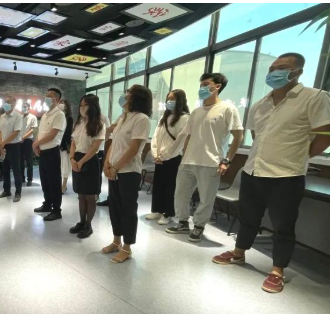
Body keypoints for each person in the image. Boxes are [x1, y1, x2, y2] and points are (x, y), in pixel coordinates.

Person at [213, 53, 330, 293]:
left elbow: (325, 135)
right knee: (248, 218)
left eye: (282, 67)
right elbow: (257, 136)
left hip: (286, 175)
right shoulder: (260, 104)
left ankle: (277, 270)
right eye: (272, 68)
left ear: (297, 72)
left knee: (283, 225)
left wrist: (300, 156)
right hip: (253, 171)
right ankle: (238, 253)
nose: (274, 72)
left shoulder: (314, 97)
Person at [167, 72, 243, 242]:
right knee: (180, 194)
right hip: (188, 160)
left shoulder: (228, 109)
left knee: (206, 199)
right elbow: (188, 135)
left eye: (206, 84)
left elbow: (238, 136)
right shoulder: (196, 112)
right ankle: (182, 222)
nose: (202, 87)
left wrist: (227, 160)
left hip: (211, 162)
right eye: (201, 84)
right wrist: (184, 155)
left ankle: (199, 226)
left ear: (218, 86)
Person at [101, 85, 151, 264]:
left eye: (129, 93)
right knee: (114, 207)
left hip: (129, 172)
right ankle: (116, 241)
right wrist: (107, 163)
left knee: (128, 210)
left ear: (137, 98)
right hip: (114, 169)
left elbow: (134, 149)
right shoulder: (123, 117)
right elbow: (114, 143)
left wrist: (116, 167)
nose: (125, 95)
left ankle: (127, 247)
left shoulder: (142, 119)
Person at [145, 89, 190, 225]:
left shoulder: (185, 118)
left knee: (170, 186)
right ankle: (157, 210)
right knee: (158, 184)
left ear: (180, 101)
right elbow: (155, 137)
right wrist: (155, 154)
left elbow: (179, 141)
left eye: (172, 99)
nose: (169, 102)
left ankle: (168, 213)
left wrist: (164, 155)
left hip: (173, 157)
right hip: (159, 158)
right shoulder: (164, 117)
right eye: (168, 99)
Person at [69, 95, 106, 239]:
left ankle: (88, 225)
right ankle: (82, 222)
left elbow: (95, 148)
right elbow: (73, 143)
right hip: (77, 158)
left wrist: (82, 161)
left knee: (90, 196)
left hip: (90, 161)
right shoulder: (78, 123)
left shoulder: (99, 124)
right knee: (81, 195)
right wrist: (72, 159)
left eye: (85, 105)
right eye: (81, 105)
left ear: (93, 107)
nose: (82, 108)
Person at [33, 88, 67, 221]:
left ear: (57, 99)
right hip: (43, 152)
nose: (46, 98)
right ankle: (47, 204)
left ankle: (57, 210)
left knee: (54, 182)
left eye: (50, 96)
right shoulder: (45, 114)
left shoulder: (59, 115)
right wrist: (37, 145)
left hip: (52, 152)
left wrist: (36, 144)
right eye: (46, 95)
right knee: (45, 181)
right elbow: (41, 132)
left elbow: (52, 135)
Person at [0, 95, 24, 202]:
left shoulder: (18, 116)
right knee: (5, 169)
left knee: (16, 170)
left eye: (8, 102)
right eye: (5, 102)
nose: (6, 104)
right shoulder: (2, 116)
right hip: (3, 146)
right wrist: (1, 144)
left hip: (14, 146)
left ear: (14, 104)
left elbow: (16, 132)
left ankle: (18, 193)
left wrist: (3, 142)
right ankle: (6, 190)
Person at [59, 98, 74, 194]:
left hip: (64, 145)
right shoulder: (57, 117)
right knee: (58, 166)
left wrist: (62, 143)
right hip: (56, 145)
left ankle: (64, 186)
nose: (60, 105)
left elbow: (67, 133)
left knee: (65, 166)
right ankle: (59, 185)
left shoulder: (69, 118)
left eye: (63, 104)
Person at [20, 101, 38, 186]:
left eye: (25, 106)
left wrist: (23, 137)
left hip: (27, 141)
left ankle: (29, 179)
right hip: (19, 141)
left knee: (29, 161)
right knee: (20, 161)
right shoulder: (20, 117)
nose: (24, 108)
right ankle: (22, 177)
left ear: (29, 108)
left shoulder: (33, 117)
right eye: (22, 106)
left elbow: (33, 130)